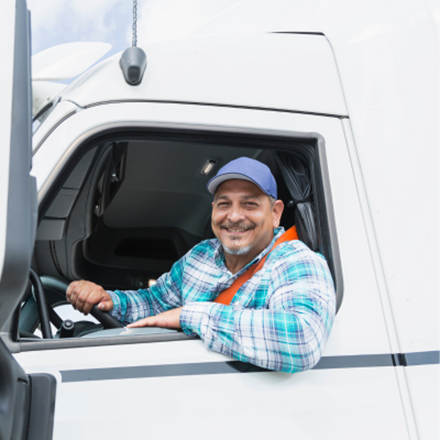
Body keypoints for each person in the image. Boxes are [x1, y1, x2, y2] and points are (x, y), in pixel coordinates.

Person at [66, 157, 336, 373]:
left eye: (250, 204)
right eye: (224, 204)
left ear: (275, 213)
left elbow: (302, 338)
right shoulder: (200, 255)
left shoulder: (296, 260)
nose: (234, 216)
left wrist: (190, 316)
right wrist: (108, 301)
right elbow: (155, 303)